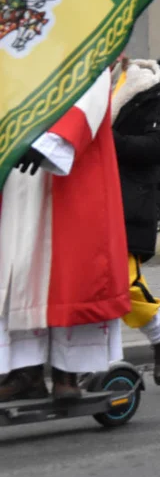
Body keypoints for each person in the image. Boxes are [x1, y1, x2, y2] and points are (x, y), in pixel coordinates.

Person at [0, 70, 129, 400]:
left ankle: (67, 373)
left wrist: (51, 143)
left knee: (72, 275)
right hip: (17, 169)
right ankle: (25, 371)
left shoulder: (88, 31)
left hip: (70, 170)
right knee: (19, 269)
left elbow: (92, 90)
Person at [110, 56, 160, 385]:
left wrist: (113, 145)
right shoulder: (82, 86)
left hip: (129, 202)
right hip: (91, 200)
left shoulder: (146, 89)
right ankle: (104, 363)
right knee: (95, 285)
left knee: (121, 283)